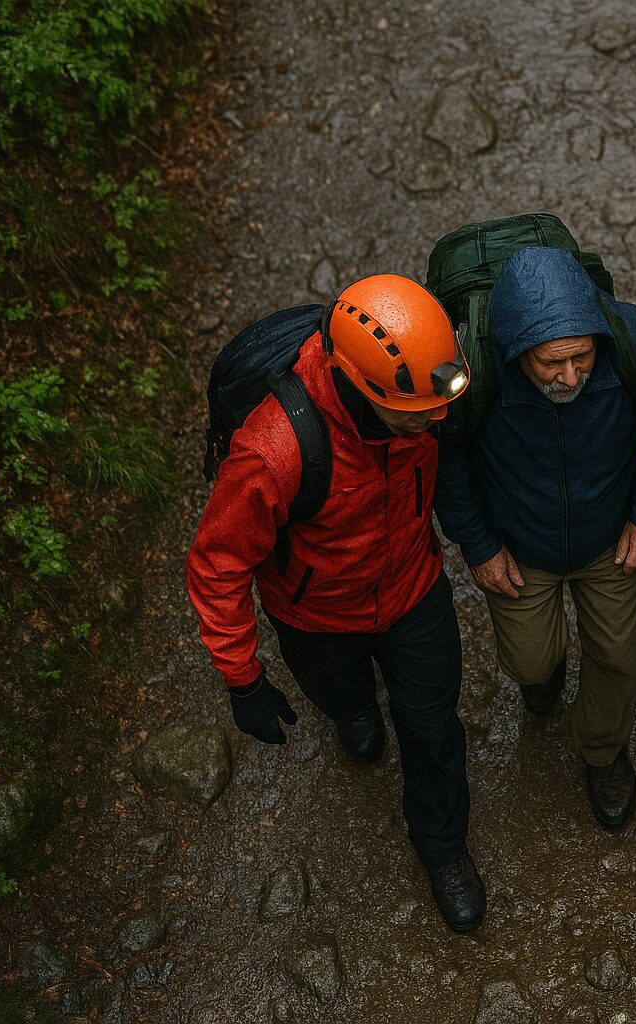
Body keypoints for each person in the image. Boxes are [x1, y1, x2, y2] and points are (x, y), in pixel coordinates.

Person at [186, 275, 486, 932]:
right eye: (417, 415)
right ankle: (352, 711)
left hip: (412, 591)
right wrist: (243, 678)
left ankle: (442, 846)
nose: (436, 421)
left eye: (441, 405)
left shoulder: (425, 393)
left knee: (434, 731)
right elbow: (218, 563)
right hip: (317, 618)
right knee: (341, 696)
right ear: (360, 388)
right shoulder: (274, 449)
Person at [434, 246, 636, 830]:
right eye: (551, 363)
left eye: (582, 357)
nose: (570, 377)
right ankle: (542, 677)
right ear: (514, 349)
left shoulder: (630, 342)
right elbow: (445, 462)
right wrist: (477, 544)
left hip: (610, 539)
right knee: (529, 663)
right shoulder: (469, 371)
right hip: (519, 546)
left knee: (619, 659)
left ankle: (602, 751)